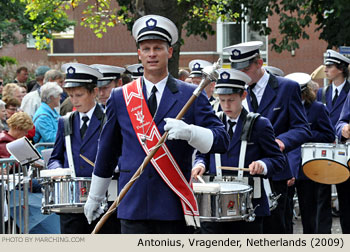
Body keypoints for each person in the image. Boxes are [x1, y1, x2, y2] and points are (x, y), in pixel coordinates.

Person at [84, 14, 229, 234]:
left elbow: (222, 140)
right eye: (146, 48)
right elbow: (107, 151)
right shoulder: (120, 96)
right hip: (132, 205)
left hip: (173, 206)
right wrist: (95, 196)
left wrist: (191, 133)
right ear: (139, 54)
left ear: (169, 52)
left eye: (158, 48)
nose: (152, 54)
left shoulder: (190, 94)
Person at [224, 41, 311, 233]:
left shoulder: (287, 88)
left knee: (276, 231)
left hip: (275, 173)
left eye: (246, 69)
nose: (242, 76)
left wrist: (282, 141)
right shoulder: (235, 89)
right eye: (238, 71)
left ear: (259, 63)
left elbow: (302, 128)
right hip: (242, 173)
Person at [192, 68, 286, 234]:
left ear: (243, 96)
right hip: (214, 204)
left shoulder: (259, 124)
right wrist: (200, 164)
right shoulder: (213, 122)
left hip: (249, 205)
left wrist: (262, 165)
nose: (226, 105)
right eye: (222, 100)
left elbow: (278, 160)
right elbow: (203, 153)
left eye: (231, 100)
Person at [47, 62, 118, 234]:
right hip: (72, 202)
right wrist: (58, 170)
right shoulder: (65, 121)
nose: (74, 101)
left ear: (94, 92)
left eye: (79, 95)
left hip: (106, 199)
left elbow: (122, 154)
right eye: (70, 96)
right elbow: (55, 158)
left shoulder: (110, 119)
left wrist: (116, 166)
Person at [285, 72, 335, 234]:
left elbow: (329, 135)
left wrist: (304, 134)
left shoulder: (317, 108)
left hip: (314, 165)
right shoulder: (286, 108)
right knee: (298, 210)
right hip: (292, 166)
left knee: (316, 209)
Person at [317, 49, 350, 234]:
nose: (326, 70)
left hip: (345, 151)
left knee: (346, 198)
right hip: (324, 150)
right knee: (322, 197)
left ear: (340, 69)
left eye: (329, 66)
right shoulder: (322, 93)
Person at [32, 82, 63, 152]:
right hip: (45, 156)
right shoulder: (42, 117)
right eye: (59, 95)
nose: (60, 98)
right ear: (52, 97)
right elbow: (51, 139)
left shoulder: (52, 112)